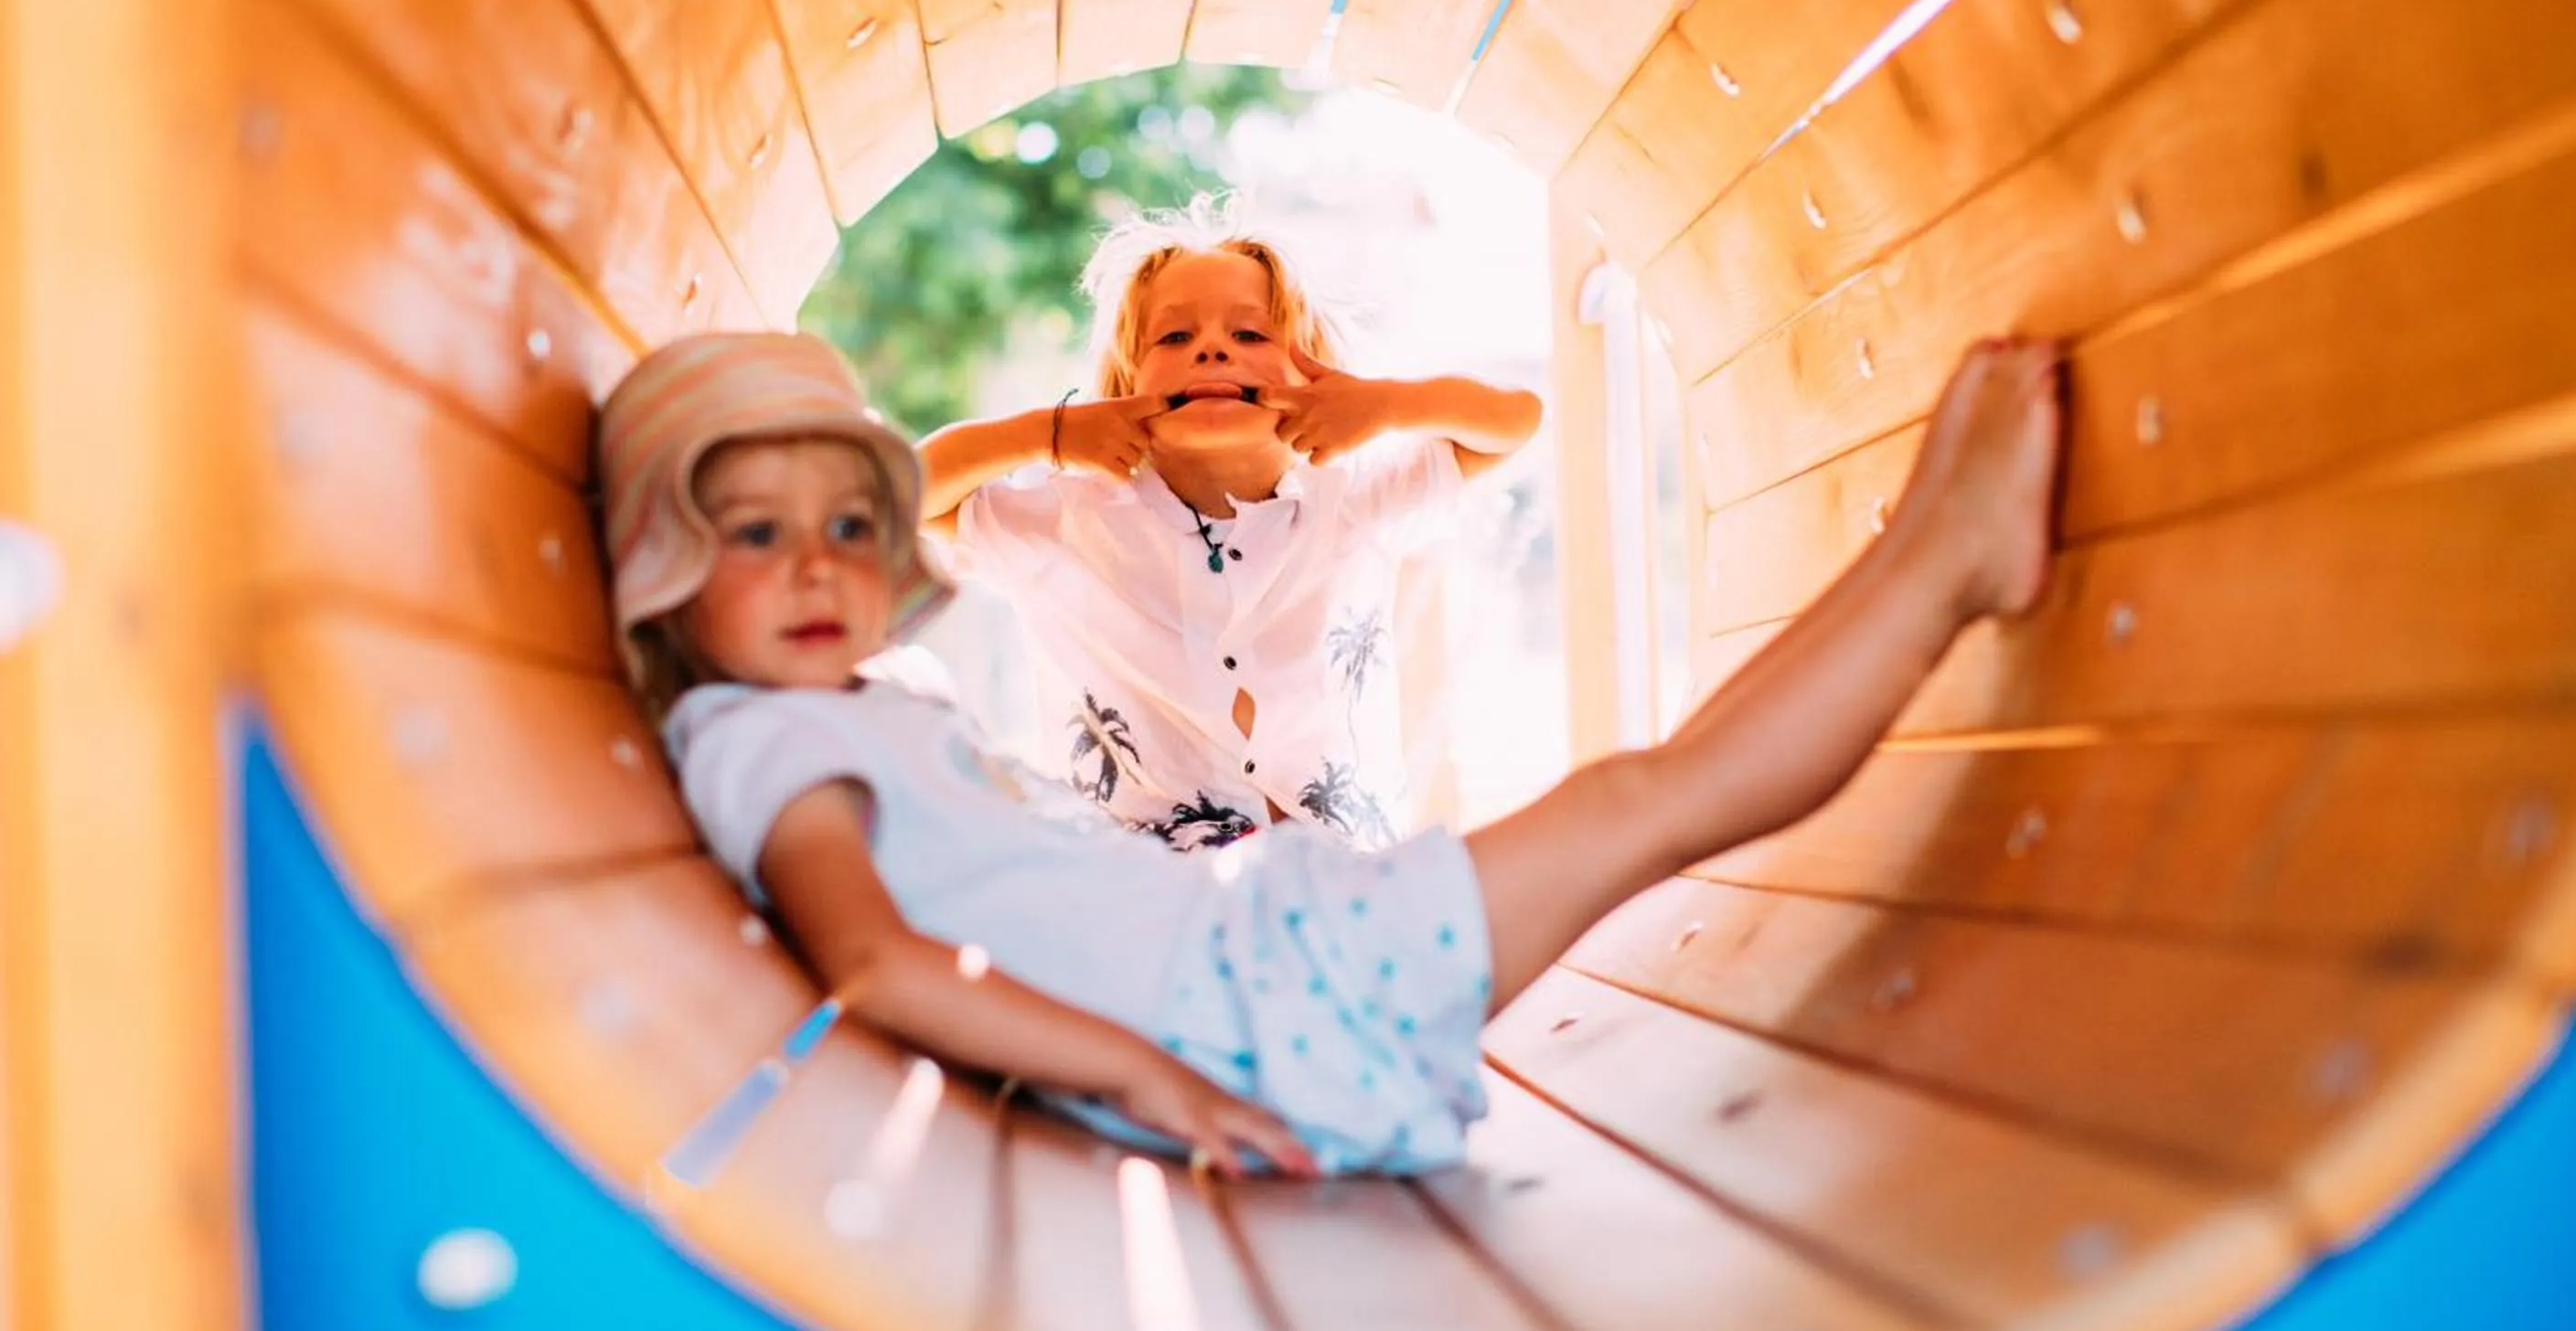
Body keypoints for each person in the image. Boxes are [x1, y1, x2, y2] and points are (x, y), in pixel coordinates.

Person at [597, 327, 2058, 1177]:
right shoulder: (761, 741)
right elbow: (876, 962)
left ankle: (1933, 552)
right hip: (1249, 993)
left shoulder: (841, 709)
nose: (816, 565)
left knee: (1644, 795)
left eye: (849, 527)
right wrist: (1142, 1075)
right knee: (1646, 802)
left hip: (1260, 946)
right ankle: (1942, 566)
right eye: (756, 533)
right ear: (666, 570)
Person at [914, 197, 1544, 850]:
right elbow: (907, 493)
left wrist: (1385, 405)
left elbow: (1514, 422)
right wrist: (1049, 434)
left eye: (1250, 335)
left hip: (1342, 881)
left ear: (1313, 374)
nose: (1212, 349)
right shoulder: (1070, 522)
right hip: (1140, 892)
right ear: (1127, 380)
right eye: (1174, 337)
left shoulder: (1354, 502)